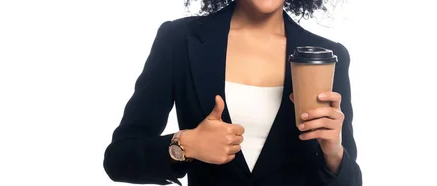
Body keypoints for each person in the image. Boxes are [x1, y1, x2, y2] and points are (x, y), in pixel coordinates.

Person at [102, 0, 361, 185]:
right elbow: (119, 159)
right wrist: (186, 145)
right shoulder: (179, 40)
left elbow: (351, 181)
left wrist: (334, 151)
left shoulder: (326, 55)